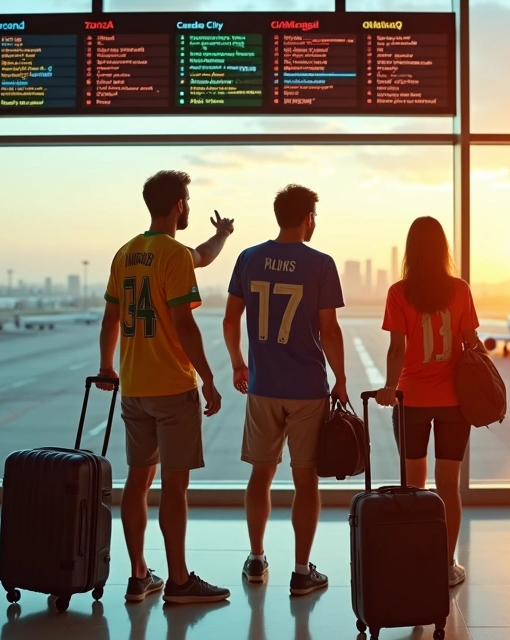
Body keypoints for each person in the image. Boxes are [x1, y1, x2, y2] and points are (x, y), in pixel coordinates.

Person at [96, 170, 233, 605]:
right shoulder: (173, 254)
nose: (188, 205)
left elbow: (111, 318)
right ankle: (178, 581)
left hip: (134, 388)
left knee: (137, 482)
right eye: (187, 199)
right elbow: (184, 323)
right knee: (174, 487)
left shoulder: (126, 252)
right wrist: (208, 378)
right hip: (173, 387)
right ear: (178, 205)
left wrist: (106, 366)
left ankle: (139, 576)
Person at [223, 184, 347, 596]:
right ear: (308, 218)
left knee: (260, 475)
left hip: (263, 387)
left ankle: (257, 559)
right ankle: (301, 571)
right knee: (305, 480)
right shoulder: (321, 264)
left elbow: (230, 320)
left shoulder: (248, 258)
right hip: (308, 389)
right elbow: (329, 330)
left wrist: (238, 363)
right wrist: (341, 378)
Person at [375, 216, 480, 588]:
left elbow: (397, 349)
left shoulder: (398, 292)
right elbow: (471, 342)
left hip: (412, 401)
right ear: (442, 249)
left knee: (414, 488)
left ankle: (417, 559)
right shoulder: (460, 289)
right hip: (454, 402)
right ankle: (446, 565)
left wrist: (390, 387)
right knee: (449, 486)